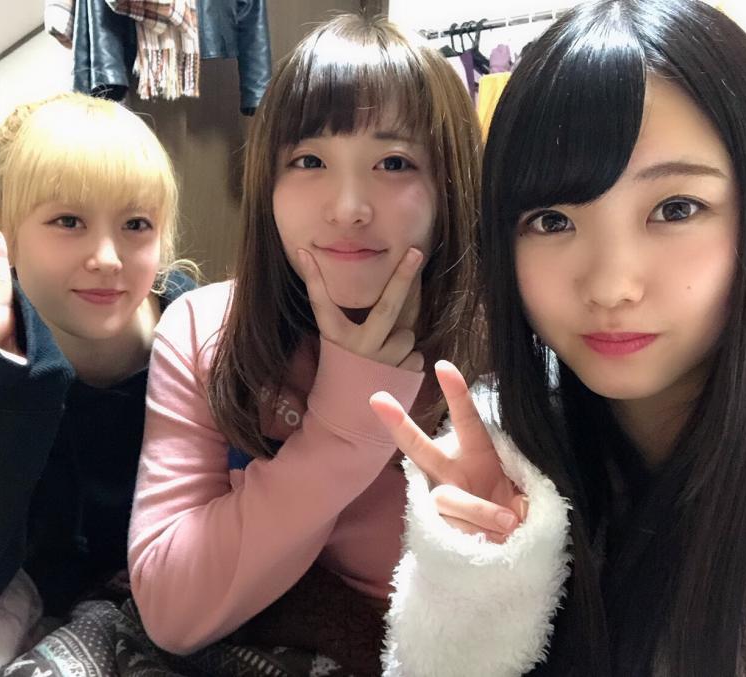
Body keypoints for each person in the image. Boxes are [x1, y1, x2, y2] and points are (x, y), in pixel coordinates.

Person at [372, 0, 746, 675]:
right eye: (553, 220)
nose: (611, 285)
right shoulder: (506, 454)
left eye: (676, 208)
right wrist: (480, 573)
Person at [126, 12, 484, 670]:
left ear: (450, 189)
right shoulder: (205, 329)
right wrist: (343, 430)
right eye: (309, 160)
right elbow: (171, 610)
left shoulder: (493, 348)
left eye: (395, 162)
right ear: (268, 182)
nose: (348, 207)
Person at [0, 92, 195, 677]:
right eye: (68, 221)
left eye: (136, 224)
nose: (107, 257)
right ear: (0, 230)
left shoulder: (205, 349)